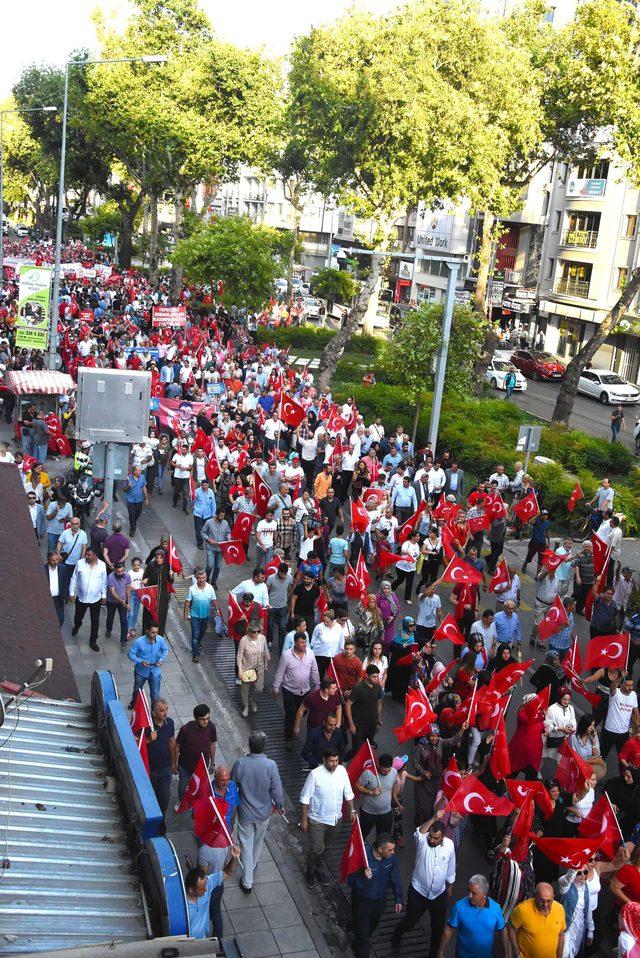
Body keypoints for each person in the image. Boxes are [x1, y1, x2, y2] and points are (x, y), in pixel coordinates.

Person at [391, 813, 456, 957]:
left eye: (435, 838)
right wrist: (434, 818)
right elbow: (419, 832)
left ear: (443, 837)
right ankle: (396, 935)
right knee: (410, 922)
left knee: (437, 929)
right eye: (430, 836)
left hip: (439, 895)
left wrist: (450, 886)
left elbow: (451, 866)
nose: (432, 840)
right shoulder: (422, 842)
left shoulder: (450, 845)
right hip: (418, 892)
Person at [231, 730, 284, 893]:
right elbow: (277, 790)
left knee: (245, 845)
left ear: (249, 745)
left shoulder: (240, 764)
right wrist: (280, 805)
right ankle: (251, 866)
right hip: (264, 813)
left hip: (245, 813)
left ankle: (247, 881)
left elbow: (232, 787)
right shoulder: (271, 765)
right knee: (257, 842)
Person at [300, 746, 355, 888]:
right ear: (324, 760)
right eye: (332, 761)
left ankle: (320, 868)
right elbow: (305, 799)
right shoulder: (315, 775)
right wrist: (304, 820)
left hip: (336, 819)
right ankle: (310, 871)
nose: (335, 764)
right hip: (317, 819)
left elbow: (348, 792)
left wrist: (352, 810)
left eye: (337, 760)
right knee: (317, 848)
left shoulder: (342, 771)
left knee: (328, 847)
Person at [348, 833, 403, 958]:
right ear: (380, 849)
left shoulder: (391, 859)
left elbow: (395, 878)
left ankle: (357, 942)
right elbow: (350, 881)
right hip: (362, 901)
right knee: (364, 936)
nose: (393, 852)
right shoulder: (362, 856)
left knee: (370, 928)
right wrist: (363, 876)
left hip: (379, 901)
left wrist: (398, 898)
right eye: (390, 850)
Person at [436, 874, 508, 958]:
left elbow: (503, 931)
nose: (469, 896)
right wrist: (440, 952)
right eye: (469, 891)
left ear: (484, 894)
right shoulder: (459, 907)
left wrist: (506, 954)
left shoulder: (496, 909)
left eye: (474, 893)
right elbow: (448, 930)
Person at [272, 631, 320, 749]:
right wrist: (276, 687)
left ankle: (295, 723)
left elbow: (314, 670)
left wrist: (317, 685)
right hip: (289, 690)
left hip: (305, 691)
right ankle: (289, 738)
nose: (304, 645)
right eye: (301, 643)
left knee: (303, 712)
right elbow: (280, 672)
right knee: (290, 715)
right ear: (295, 643)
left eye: (305, 642)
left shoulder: (311, 654)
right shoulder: (287, 655)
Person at [184, 859, 240, 940]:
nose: (206, 890)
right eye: (202, 888)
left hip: (203, 938)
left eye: (206, 886)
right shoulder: (182, 906)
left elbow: (227, 872)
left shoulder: (207, 884)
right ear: (191, 890)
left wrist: (234, 858)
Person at [508, 883, 566, 958]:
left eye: (548, 901)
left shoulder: (560, 909)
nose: (545, 904)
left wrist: (560, 956)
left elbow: (561, 935)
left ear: (553, 898)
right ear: (535, 897)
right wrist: (517, 953)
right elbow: (510, 927)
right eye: (542, 900)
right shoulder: (522, 910)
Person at [69, 547, 108, 651]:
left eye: (89, 555)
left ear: (95, 555)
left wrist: (104, 595)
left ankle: (93, 641)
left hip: (96, 599)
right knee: (78, 617)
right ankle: (77, 626)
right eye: (86, 554)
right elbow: (74, 578)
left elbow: (104, 581)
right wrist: (71, 592)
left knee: (95, 621)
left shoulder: (102, 565)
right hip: (81, 598)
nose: (86, 556)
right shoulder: (80, 563)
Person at [175, 704, 217, 801]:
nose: (206, 721)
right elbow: (177, 746)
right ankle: (182, 803)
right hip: (185, 767)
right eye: (203, 719)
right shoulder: (186, 729)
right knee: (183, 787)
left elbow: (212, 744)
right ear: (196, 718)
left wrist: (213, 763)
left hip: (202, 767)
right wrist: (174, 763)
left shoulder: (211, 727)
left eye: (208, 718)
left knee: (199, 788)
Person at [145, 698, 177, 820]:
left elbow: (172, 741)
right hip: (150, 770)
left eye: (166, 710)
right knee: (149, 798)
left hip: (165, 769)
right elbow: (135, 745)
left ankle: (161, 820)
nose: (165, 713)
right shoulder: (147, 726)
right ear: (154, 713)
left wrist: (174, 762)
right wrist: (148, 740)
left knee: (164, 798)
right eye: (162, 711)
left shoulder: (170, 723)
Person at [357, 752, 399, 840]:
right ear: (378, 766)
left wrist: (394, 800)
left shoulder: (394, 772)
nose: (386, 773)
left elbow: (393, 785)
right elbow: (358, 786)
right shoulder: (368, 773)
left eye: (388, 770)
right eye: (384, 770)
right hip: (368, 813)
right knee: (362, 835)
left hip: (386, 812)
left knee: (384, 838)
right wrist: (371, 791)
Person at [127, 625, 169, 707]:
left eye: (156, 632)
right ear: (147, 631)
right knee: (137, 690)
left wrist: (161, 659)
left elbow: (165, 650)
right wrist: (140, 662)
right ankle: (133, 703)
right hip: (141, 671)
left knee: (155, 694)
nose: (155, 634)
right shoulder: (139, 642)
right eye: (153, 632)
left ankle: (154, 712)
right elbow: (131, 654)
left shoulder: (160, 640)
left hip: (155, 671)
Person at [346, 665, 383, 756]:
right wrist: (351, 725)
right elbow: (348, 705)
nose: (376, 679)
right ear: (367, 676)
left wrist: (378, 722)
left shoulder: (378, 687)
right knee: (357, 750)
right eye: (374, 676)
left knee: (368, 747)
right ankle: (344, 761)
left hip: (371, 725)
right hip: (358, 725)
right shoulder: (358, 688)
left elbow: (379, 704)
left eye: (377, 676)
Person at [185, 568, 220, 663]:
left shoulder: (210, 588)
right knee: (195, 635)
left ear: (206, 577)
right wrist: (186, 613)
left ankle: (198, 642)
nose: (201, 579)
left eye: (203, 577)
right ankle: (196, 655)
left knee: (202, 631)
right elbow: (188, 601)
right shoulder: (192, 589)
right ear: (197, 578)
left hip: (205, 615)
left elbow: (213, 600)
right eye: (199, 578)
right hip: (194, 615)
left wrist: (217, 610)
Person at [601, 673, 640, 759]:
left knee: (623, 759)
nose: (630, 687)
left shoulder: (633, 695)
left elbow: (636, 711)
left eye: (632, 685)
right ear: (621, 685)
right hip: (609, 731)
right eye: (628, 685)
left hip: (624, 733)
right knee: (602, 757)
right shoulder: (615, 693)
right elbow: (612, 687)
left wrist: (638, 725)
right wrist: (621, 677)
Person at [237, 622, 270, 717]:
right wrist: (240, 670)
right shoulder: (244, 640)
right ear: (249, 632)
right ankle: (246, 706)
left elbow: (265, 651)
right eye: (254, 632)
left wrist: (266, 663)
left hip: (259, 667)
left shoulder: (262, 638)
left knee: (259, 689)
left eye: (258, 631)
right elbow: (239, 656)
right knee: (245, 689)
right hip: (247, 667)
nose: (256, 634)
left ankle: (253, 701)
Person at [142, 550, 174, 634]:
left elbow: (171, 582)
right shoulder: (151, 565)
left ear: (163, 558)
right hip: (151, 595)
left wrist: (171, 576)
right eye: (157, 558)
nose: (158, 560)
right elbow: (145, 577)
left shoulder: (167, 566)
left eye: (160, 558)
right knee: (149, 615)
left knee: (161, 616)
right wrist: (145, 580)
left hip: (163, 596)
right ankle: (147, 633)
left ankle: (159, 635)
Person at [56, 515, 88, 593]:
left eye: (76, 523)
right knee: (66, 578)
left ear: (79, 524)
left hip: (76, 562)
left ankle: (71, 593)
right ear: (70, 524)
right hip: (66, 561)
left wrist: (82, 559)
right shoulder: (65, 533)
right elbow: (59, 543)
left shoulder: (83, 534)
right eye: (73, 523)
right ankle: (66, 594)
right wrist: (58, 554)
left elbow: (84, 547)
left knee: (74, 579)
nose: (74, 525)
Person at [266, 562, 293, 651]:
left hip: (283, 606)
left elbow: (290, 590)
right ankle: (269, 642)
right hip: (272, 606)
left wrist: (288, 602)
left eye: (284, 574)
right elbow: (266, 590)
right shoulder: (271, 578)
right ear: (278, 571)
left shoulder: (289, 578)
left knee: (282, 627)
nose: (283, 576)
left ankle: (282, 647)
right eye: (281, 574)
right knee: (270, 626)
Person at [201, 508, 231, 587]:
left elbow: (228, 532)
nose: (222, 517)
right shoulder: (209, 522)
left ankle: (213, 582)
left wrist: (229, 537)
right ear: (216, 515)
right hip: (210, 547)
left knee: (218, 566)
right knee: (210, 565)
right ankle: (206, 579)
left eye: (223, 516)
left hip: (221, 548)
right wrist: (208, 539)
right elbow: (203, 532)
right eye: (221, 516)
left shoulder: (225, 523)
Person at [105, 561, 132, 646]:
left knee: (124, 620)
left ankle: (123, 640)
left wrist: (128, 602)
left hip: (123, 601)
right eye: (118, 571)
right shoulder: (111, 577)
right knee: (110, 617)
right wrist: (122, 601)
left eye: (122, 571)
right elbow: (112, 592)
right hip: (111, 601)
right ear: (115, 570)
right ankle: (109, 630)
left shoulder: (127, 575)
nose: (120, 573)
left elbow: (128, 589)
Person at [123, 465, 148, 536]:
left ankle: (133, 522)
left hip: (139, 500)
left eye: (140, 470)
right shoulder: (128, 479)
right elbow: (124, 490)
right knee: (132, 515)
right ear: (134, 471)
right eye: (139, 470)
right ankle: (133, 529)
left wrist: (146, 498)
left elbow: (144, 487)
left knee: (137, 514)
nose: (140, 471)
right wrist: (128, 486)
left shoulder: (142, 477)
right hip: (131, 501)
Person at [192, 479, 216, 549]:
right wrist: (191, 496)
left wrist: (213, 514)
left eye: (206, 485)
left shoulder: (211, 492)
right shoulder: (197, 492)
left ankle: (208, 541)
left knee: (207, 529)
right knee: (198, 530)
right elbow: (192, 499)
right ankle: (200, 543)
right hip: (198, 514)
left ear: (208, 485)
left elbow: (213, 504)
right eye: (203, 485)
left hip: (207, 514)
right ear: (201, 485)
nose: (204, 487)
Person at [45, 551, 67, 626]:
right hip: (47, 599)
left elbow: (65, 582)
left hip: (58, 599)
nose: (55, 562)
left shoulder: (62, 568)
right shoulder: (44, 569)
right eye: (53, 560)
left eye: (56, 560)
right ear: (48, 560)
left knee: (61, 620)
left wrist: (64, 595)